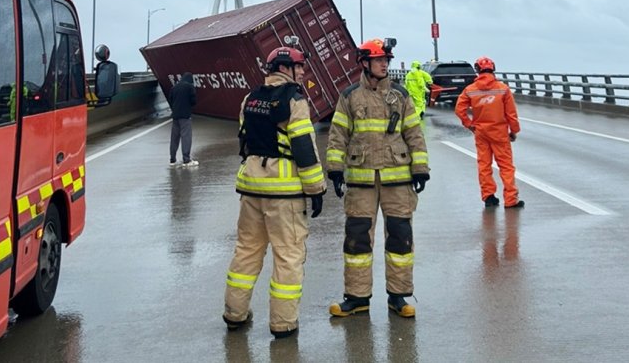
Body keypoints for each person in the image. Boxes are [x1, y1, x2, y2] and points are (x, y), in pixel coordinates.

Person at [222, 44, 326, 339]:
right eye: (299, 67)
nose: (303, 72)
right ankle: (283, 323)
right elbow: (304, 148)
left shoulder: (250, 98)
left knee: (246, 251)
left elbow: (245, 139)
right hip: (284, 193)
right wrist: (316, 189)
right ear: (284, 68)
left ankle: (234, 314)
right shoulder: (294, 100)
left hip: (251, 187)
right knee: (288, 256)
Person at [326, 38, 430, 319]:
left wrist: (421, 168)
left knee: (400, 239)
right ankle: (356, 298)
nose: (385, 64)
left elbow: (414, 134)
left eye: (386, 60)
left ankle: (398, 296)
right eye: (379, 60)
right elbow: (337, 135)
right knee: (357, 240)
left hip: (398, 181)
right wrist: (335, 169)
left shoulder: (400, 95)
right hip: (361, 183)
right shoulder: (350, 96)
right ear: (365, 63)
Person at [454, 56, 523, 208]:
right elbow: (511, 114)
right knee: (506, 166)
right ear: (493, 69)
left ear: (477, 70)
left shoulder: (470, 90)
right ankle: (511, 199)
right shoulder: (503, 89)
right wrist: (514, 131)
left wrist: (469, 125)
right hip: (500, 132)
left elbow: (459, 109)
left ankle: (488, 197)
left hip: (481, 132)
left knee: (484, 165)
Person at [169, 72, 198, 167]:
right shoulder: (190, 87)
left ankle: (172, 159)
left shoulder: (174, 87)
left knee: (174, 138)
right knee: (186, 137)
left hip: (175, 116)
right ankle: (186, 159)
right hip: (185, 116)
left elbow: (170, 100)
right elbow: (193, 101)